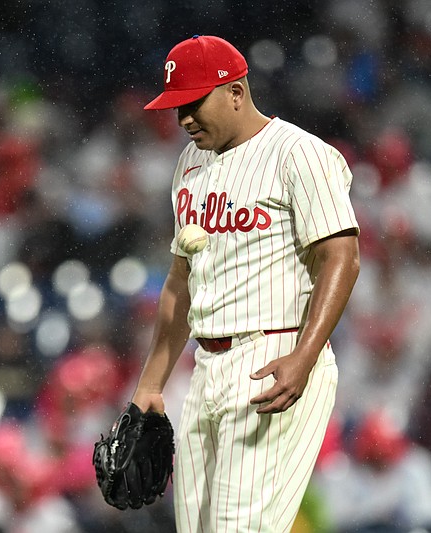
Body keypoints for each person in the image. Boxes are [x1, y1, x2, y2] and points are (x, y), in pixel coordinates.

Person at [132, 35, 361, 533]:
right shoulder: (190, 164)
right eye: (176, 108)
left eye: (194, 103)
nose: (185, 119)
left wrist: (304, 355)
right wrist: (150, 383)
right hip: (206, 367)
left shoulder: (299, 154)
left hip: (274, 358)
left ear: (236, 91)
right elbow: (180, 280)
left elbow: (342, 256)